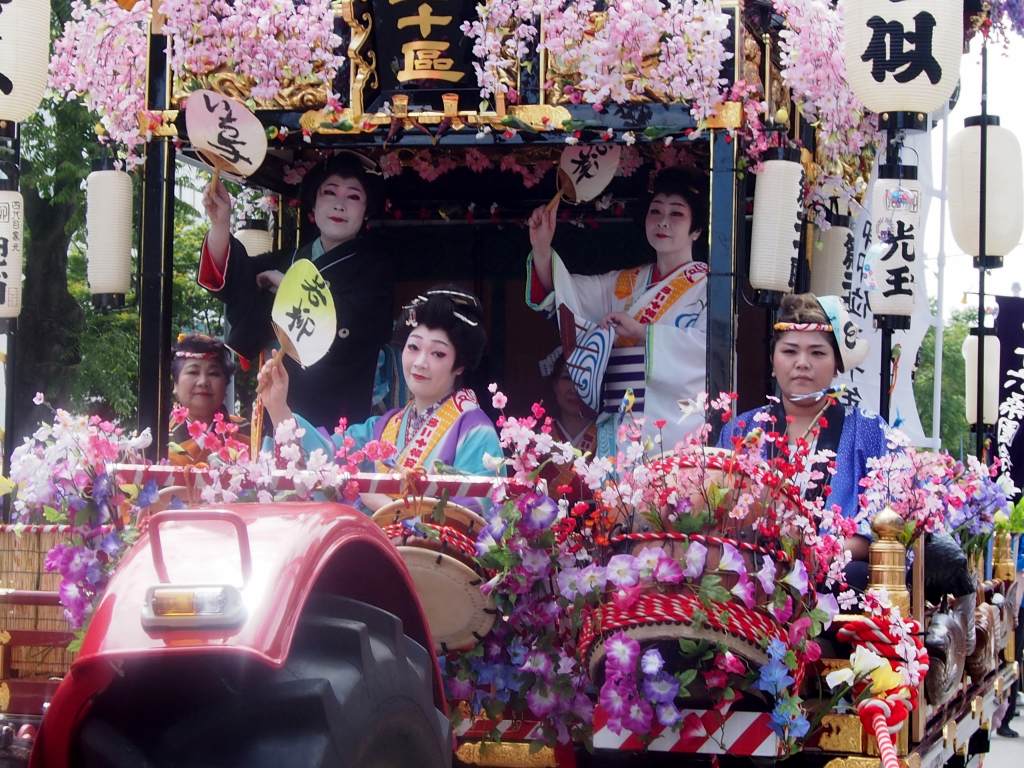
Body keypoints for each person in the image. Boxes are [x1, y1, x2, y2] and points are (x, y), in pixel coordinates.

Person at [258, 288, 502, 511]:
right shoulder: (384, 427)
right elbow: (326, 459)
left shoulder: (475, 432)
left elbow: (477, 512)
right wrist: (278, 406)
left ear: (459, 365)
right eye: (413, 347)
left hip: (429, 558)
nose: (420, 363)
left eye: (438, 353)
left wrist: (389, 508)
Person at [198, 153, 393, 430]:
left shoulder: (374, 272)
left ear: (366, 211)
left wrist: (288, 286)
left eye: (353, 197)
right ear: (314, 202)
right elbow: (233, 281)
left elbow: (355, 326)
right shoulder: (287, 261)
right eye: (329, 192)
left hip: (336, 416)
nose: (339, 205)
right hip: (275, 407)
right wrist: (220, 223)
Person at [526, 167, 709, 455]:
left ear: (696, 229)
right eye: (655, 212)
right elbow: (564, 294)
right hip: (619, 418)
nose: (662, 222)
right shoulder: (624, 283)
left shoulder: (707, 287)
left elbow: (709, 353)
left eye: (676, 214)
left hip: (673, 423)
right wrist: (541, 248)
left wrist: (644, 334)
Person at [717, 293, 885, 586]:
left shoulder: (868, 429)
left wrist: (819, 556)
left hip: (835, 574)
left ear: (837, 365)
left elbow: (883, 524)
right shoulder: (741, 430)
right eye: (790, 351)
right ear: (772, 361)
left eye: (818, 353)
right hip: (755, 571)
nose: (802, 363)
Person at [168, 333, 248, 464]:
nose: (203, 382)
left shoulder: (246, 431)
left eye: (213, 373)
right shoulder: (159, 437)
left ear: (225, 385)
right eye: (193, 372)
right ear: (175, 384)